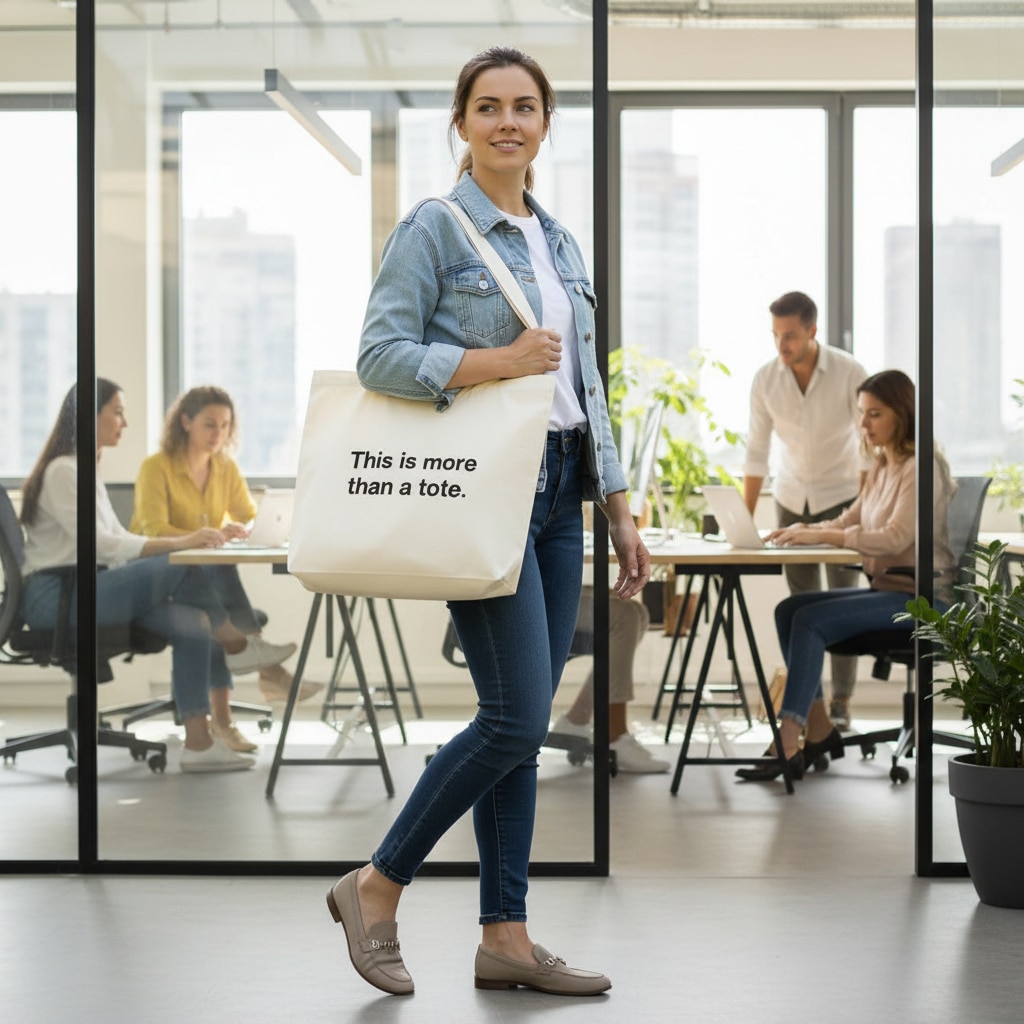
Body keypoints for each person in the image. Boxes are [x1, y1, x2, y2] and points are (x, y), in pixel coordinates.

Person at [327, 46, 649, 998]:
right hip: (484, 491)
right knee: (512, 716)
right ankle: (376, 884)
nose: (508, 121)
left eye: (525, 106)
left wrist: (619, 505)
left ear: (546, 123)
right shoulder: (435, 227)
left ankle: (505, 935)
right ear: (461, 125)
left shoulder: (559, 241)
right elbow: (381, 354)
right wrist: (495, 362)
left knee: (525, 720)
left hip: (561, 494)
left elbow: (585, 385)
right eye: (488, 106)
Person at [19, 378, 296, 773]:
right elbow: (98, 545)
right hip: (59, 597)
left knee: (195, 621)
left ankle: (199, 746)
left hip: (91, 587)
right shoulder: (64, 471)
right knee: (182, 561)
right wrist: (181, 543)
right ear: (87, 417)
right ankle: (239, 647)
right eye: (117, 412)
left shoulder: (85, 470)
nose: (125, 423)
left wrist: (184, 542)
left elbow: (118, 538)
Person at [736, 369, 956, 782]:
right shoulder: (885, 465)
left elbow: (894, 538)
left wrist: (827, 532)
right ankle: (818, 729)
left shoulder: (920, 467)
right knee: (789, 610)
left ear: (902, 414)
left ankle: (788, 741)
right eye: (861, 414)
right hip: (889, 591)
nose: (863, 424)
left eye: (875, 414)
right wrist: (805, 531)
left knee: (810, 619)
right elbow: (851, 518)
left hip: (921, 601)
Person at [131, 385, 322, 750]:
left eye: (224, 425)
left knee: (214, 579)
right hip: (156, 574)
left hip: (199, 580)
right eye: (209, 425)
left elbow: (251, 516)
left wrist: (241, 531)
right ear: (185, 422)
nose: (218, 434)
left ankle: (236, 695)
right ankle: (261, 672)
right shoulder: (156, 467)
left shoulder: (224, 467)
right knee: (212, 572)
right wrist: (209, 535)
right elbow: (153, 529)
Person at [742, 290, 869, 729]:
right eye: (776, 335)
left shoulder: (851, 373)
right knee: (801, 608)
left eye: (791, 335)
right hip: (791, 501)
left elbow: (870, 448)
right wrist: (744, 520)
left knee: (845, 603)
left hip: (843, 498)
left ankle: (843, 700)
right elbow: (756, 452)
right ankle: (810, 703)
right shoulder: (766, 379)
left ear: (812, 331)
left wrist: (866, 509)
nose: (782, 345)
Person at [548, 585, 670, 773]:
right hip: (527, 595)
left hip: (544, 583)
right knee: (625, 616)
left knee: (638, 611)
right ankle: (614, 735)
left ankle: (575, 721)